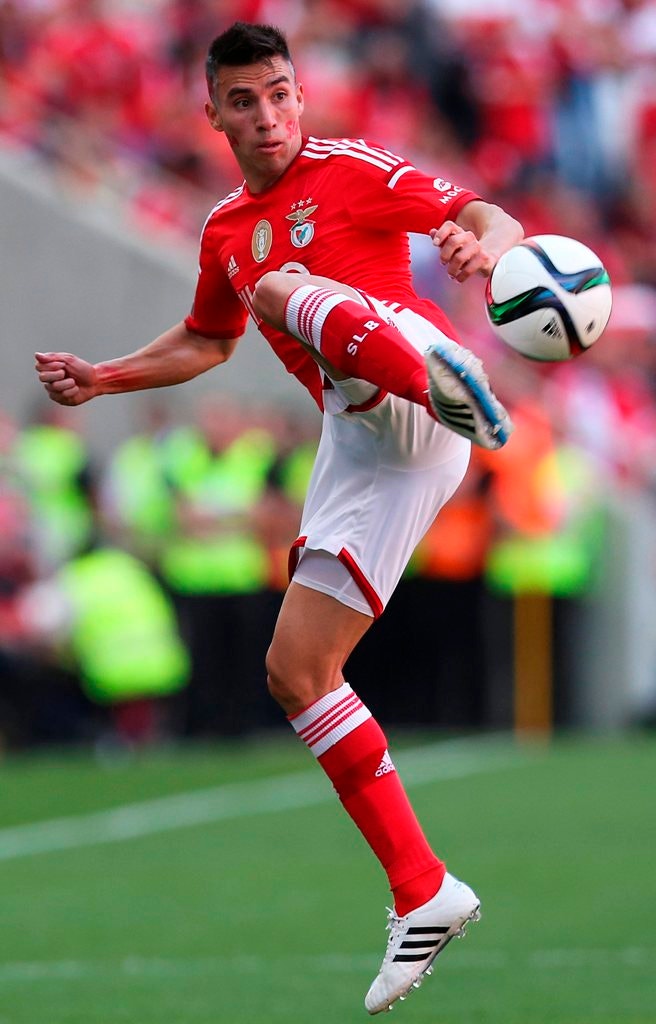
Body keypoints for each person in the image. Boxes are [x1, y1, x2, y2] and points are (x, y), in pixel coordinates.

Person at [34, 22, 524, 1014]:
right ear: (212, 115)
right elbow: (207, 342)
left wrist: (486, 245)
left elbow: (484, 212)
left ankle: (442, 384)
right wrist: (105, 377)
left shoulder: (350, 169)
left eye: (280, 93)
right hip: (358, 440)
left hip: (408, 375)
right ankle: (423, 888)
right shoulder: (224, 228)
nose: (268, 116)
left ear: (300, 94)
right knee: (296, 672)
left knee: (280, 286)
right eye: (244, 101)